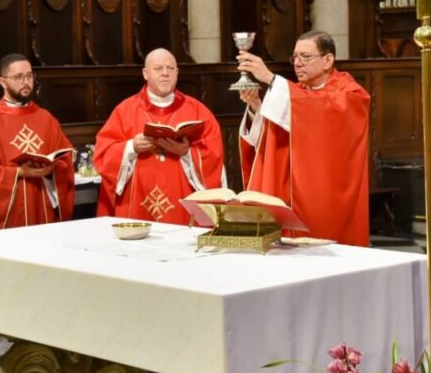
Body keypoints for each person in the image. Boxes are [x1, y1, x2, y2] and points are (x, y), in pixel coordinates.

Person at [236, 30, 370, 245]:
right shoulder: (296, 92)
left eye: (306, 57)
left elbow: (320, 113)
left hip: (324, 194)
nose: (297, 63)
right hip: (290, 191)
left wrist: (270, 78)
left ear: (328, 60)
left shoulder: (351, 93)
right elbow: (277, 135)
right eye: (295, 57)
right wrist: (256, 107)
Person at [95, 49, 224, 224]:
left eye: (170, 68)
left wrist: (186, 153)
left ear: (177, 73)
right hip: (137, 206)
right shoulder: (124, 110)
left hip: (183, 207)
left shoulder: (197, 111)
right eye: (158, 68)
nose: (165, 73)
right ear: (145, 74)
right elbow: (103, 154)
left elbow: (214, 157)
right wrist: (131, 147)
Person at [0, 53, 75, 229]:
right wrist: (18, 173)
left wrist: (50, 170)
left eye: (29, 76)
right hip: (10, 218)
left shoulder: (46, 119)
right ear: (2, 82)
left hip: (43, 209)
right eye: (18, 77)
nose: (26, 82)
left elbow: (65, 161)